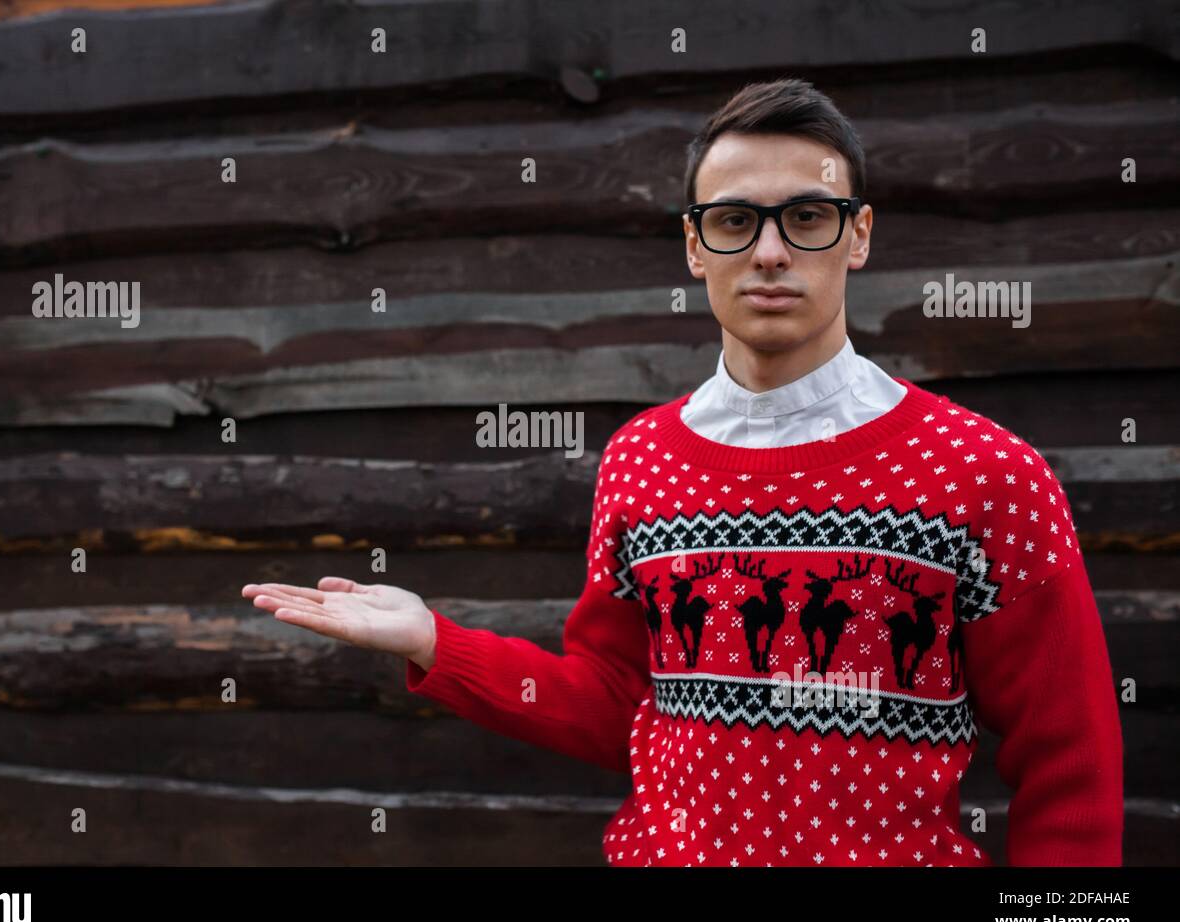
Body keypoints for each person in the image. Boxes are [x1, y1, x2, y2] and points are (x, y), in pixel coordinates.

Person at [242, 78, 1124, 867]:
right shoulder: (643, 459)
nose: (770, 252)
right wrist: (439, 643)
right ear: (695, 248)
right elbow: (615, 702)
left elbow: (1071, 755)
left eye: (806, 218)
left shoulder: (985, 471)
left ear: (857, 235)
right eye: (736, 220)